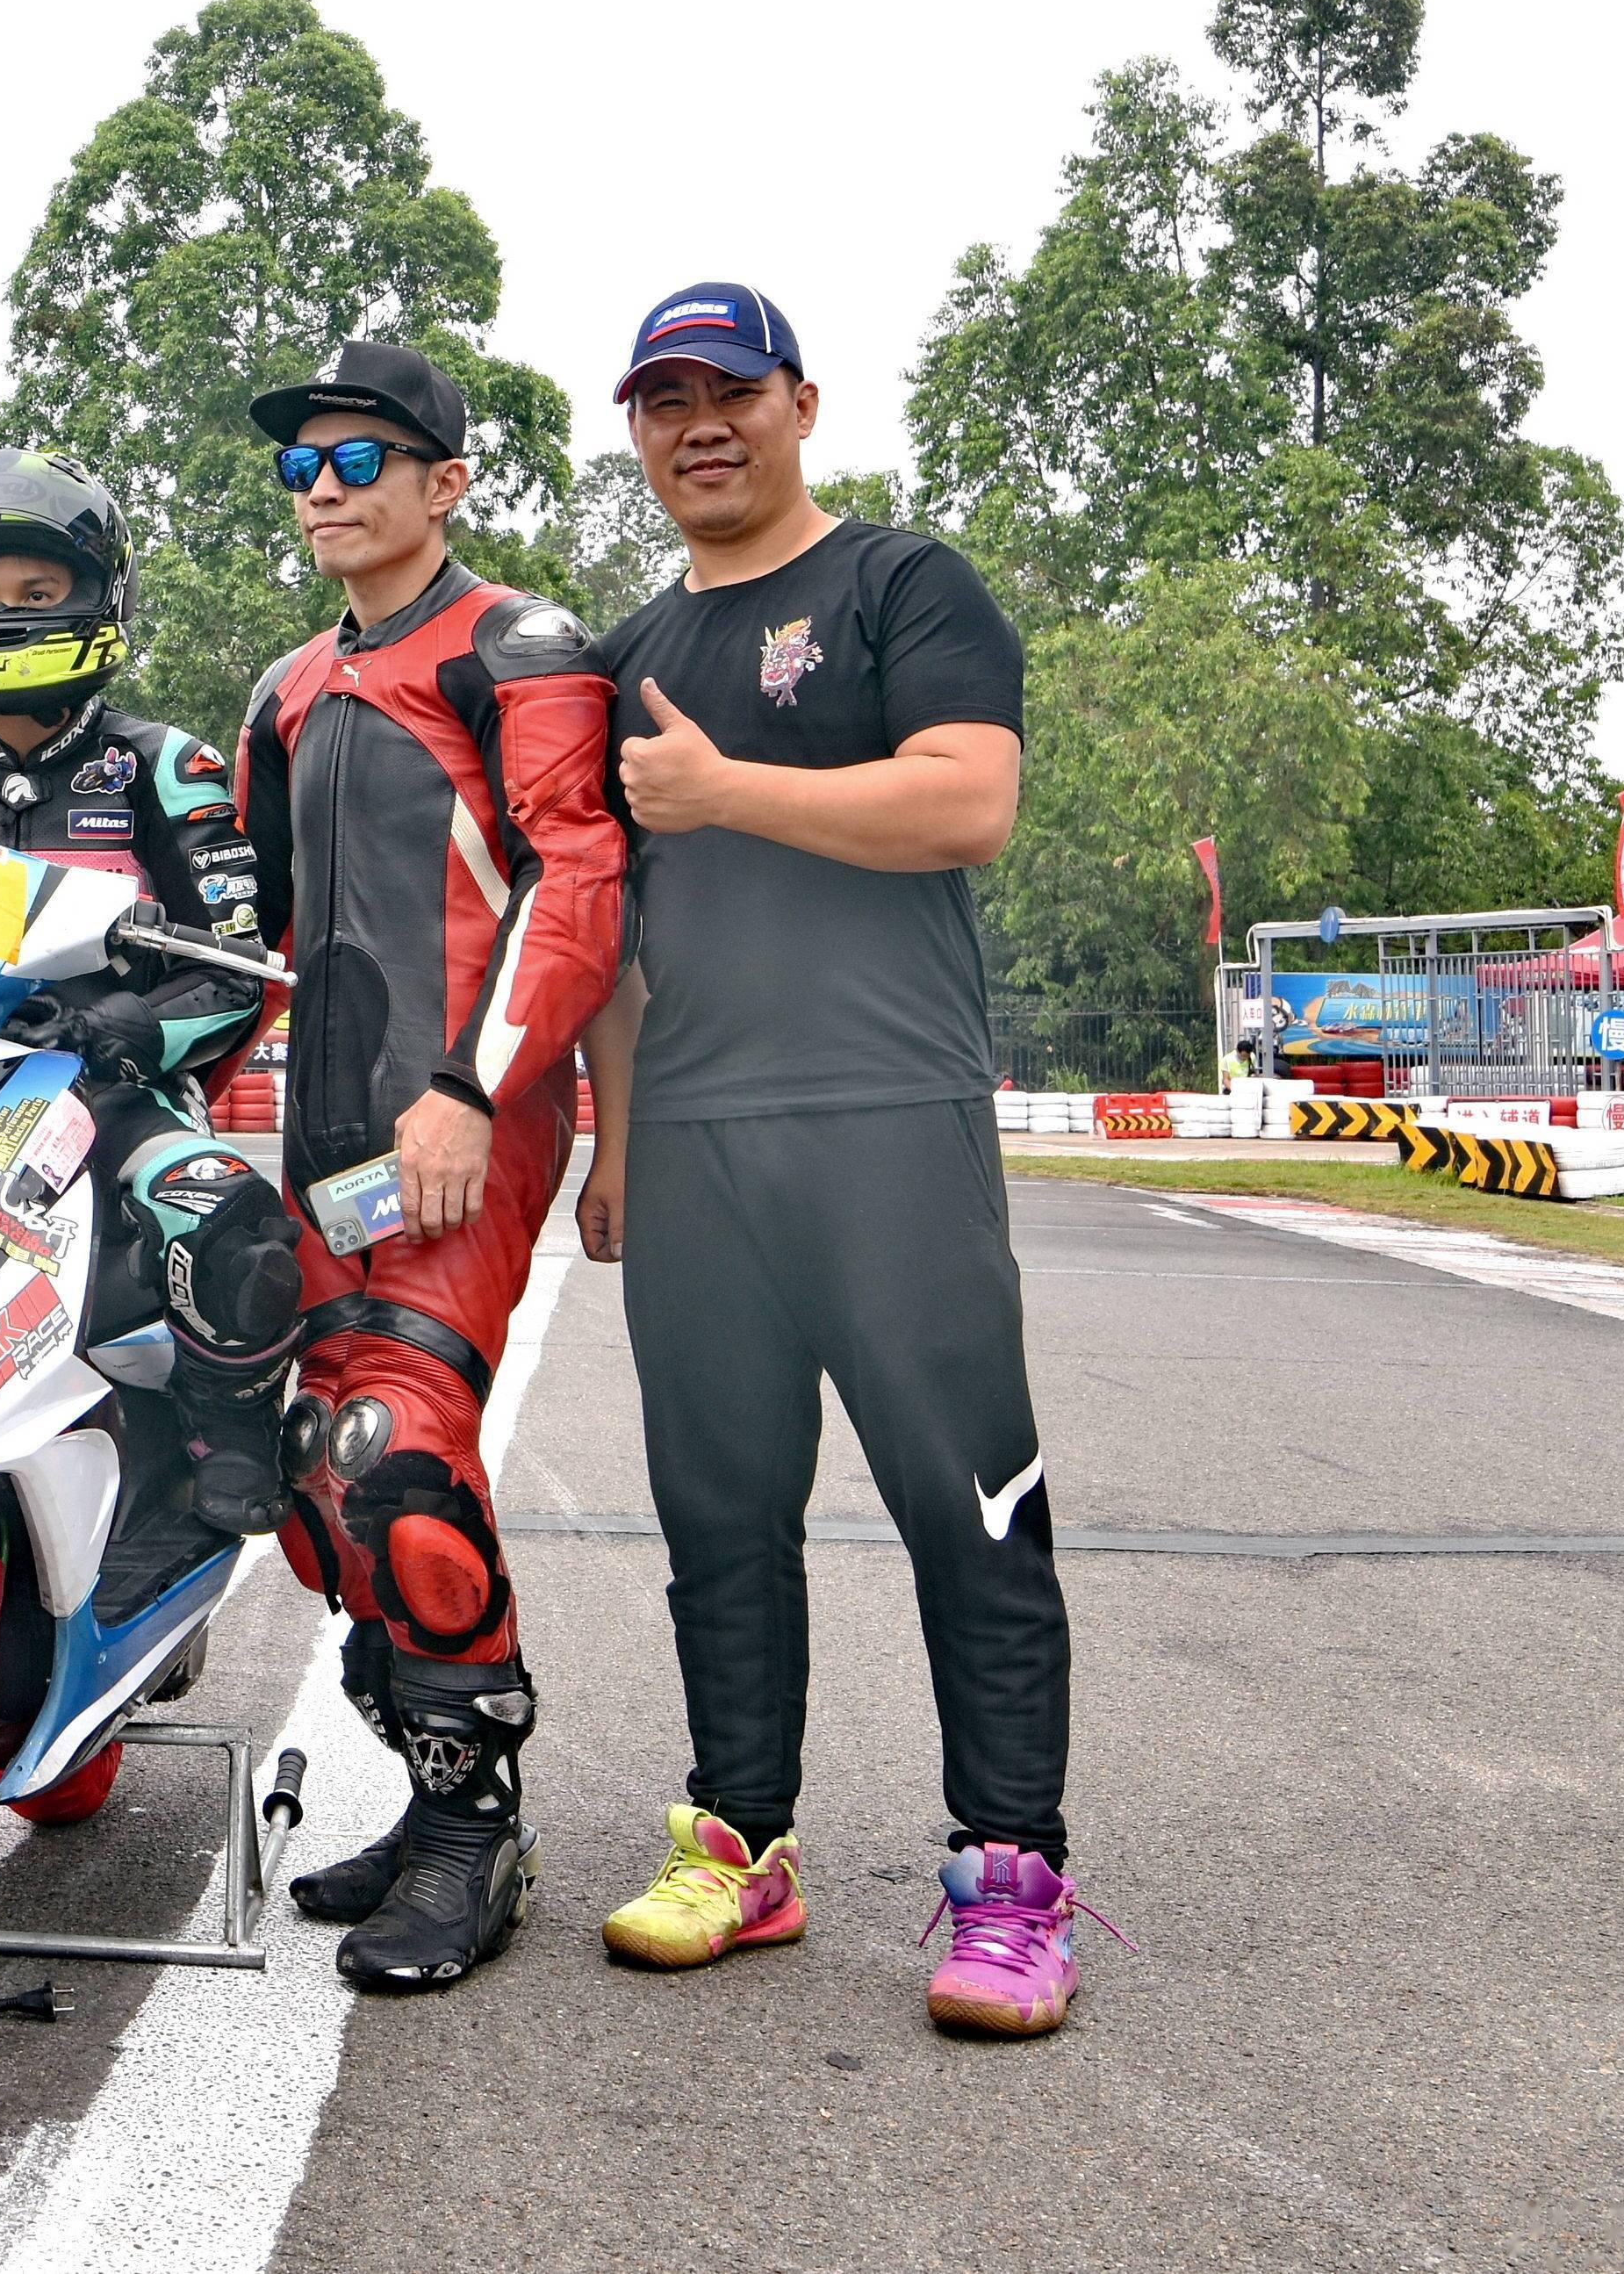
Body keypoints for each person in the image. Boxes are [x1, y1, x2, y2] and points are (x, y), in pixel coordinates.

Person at [572, 283, 1089, 2037]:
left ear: (799, 401)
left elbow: (964, 801)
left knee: (969, 1502)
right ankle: (741, 1840)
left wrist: (730, 788)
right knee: (718, 1511)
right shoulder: (627, 651)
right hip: (697, 1141)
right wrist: (617, 1140)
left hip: (886, 1119)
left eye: (728, 389)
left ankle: (1011, 1879)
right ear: (636, 432)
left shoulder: (900, 584)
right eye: (662, 399)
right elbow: (616, 934)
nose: (697, 423)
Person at [234, 343, 627, 1990]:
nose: (324, 488)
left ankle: (478, 1838)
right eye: (302, 464)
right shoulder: (284, 689)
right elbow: (253, 932)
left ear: (446, 482)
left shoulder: (519, 648)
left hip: (468, 1127)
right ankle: (424, 1799)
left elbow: (580, 881)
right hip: (327, 1143)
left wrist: (475, 1087)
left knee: (401, 1459)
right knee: (318, 1483)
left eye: (360, 458)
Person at [0, 449, 300, 1535]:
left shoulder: (163, 766)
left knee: (229, 1218)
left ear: (99, 594)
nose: (4, 614)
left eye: (37, 591)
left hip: (107, 1092)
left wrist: (125, 1025)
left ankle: (226, 1427)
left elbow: (239, 968)